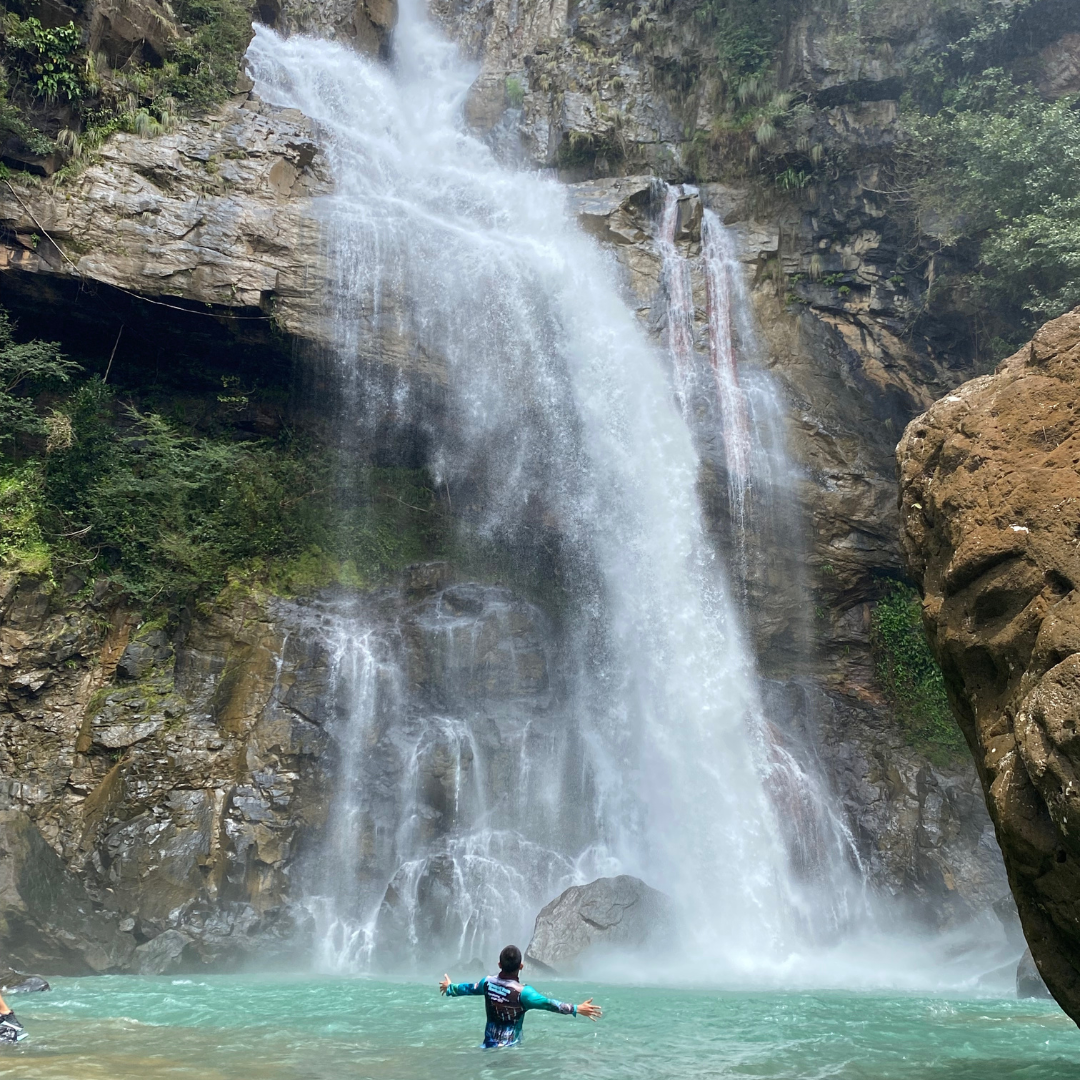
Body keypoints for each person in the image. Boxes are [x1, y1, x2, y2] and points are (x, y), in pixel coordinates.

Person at [439, 944, 601, 1048]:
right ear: (521, 966)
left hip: (488, 1046)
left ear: (499, 965)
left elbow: (468, 988)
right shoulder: (524, 993)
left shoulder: (487, 983)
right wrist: (576, 1008)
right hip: (511, 1049)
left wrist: (449, 988)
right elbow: (549, 1004)